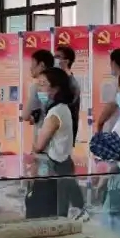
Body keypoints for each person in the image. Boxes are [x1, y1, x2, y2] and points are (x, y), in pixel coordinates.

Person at [27, 67, 87, 219]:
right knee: (58, 211)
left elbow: (39, 145)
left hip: (53, 169)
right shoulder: (62, 109)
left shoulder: (55, 113)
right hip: (60, 166)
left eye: (43, 84)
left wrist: (34, 148)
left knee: (46, 214)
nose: (39, 89)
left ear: (55, 88)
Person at [93, 48, 120, 133]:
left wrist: (99, 124)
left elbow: (110, 107)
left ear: (113, 63)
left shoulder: (114, 84)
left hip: (114, 129)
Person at [53, 44, 82, 143]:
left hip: (65, 133)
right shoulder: (58, 80)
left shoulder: (71, 82)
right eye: (54, 56)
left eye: (58, 57)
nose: (55, 59)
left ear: (66, 61)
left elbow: (71, 103)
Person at [21, 49, 55, 129]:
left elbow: (25, 115)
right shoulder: (56, 85)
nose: (30, 68)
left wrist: (31, 117)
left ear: (41, 65)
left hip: (42, 131)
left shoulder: (37, 87)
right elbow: (44, 106)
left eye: (33, 64)